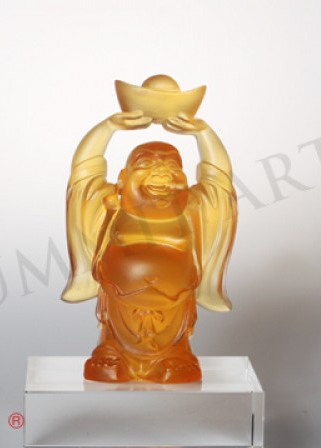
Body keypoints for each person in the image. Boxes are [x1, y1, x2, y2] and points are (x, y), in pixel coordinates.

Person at [62, 111, 237, 383]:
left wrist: (204, 134)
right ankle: (112, 351)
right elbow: (84, 173)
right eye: (146, 164)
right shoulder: (111, 206)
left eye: (172, 167)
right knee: (113, 347)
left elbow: (219, 181)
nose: (161, 173)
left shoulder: (194, 209)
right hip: (118, 301)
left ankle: (175, 354)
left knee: (174, 350)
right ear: (122, 179)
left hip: (176, 304)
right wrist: (107, 128)